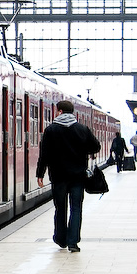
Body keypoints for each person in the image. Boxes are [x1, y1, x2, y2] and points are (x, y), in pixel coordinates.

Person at [36, 100, 101, 253]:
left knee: (60, 208)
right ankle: (73, 242)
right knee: (76, 208)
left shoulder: (51, 130)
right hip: (78, 176)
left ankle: (60, 238)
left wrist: (40, 174)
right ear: (72, 113)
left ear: (59, 111)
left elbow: (44, 154)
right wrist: (83, 149)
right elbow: (96, 147)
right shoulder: (82, 129)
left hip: (58, 176)